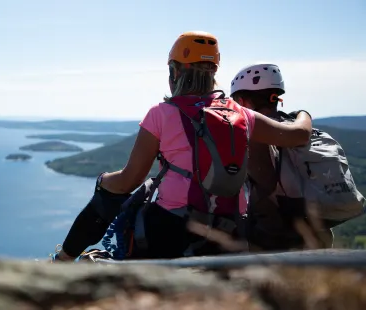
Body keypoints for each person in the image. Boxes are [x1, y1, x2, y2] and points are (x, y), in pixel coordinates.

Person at [51, 31, 313, 262]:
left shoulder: (161, 114)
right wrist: (303, 113)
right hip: (230, 232)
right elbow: (299, 134)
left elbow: (128, 181)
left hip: (171, 229)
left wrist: (104, 180)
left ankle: (65, 258)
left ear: (175, 72)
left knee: (108, 191)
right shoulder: (241, 114)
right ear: (213, 72)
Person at [229, 64, 337, 251]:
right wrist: (304, 114)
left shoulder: (253, 133)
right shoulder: (291, 124)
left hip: (274, 236)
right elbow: (302, 133)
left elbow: (266, 183)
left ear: (243, 101)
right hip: (314, 231)